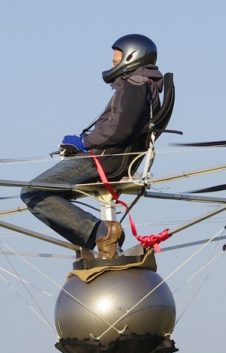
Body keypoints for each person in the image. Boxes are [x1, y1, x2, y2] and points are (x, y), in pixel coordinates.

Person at [21, 34, 164, 260]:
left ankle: (102, 234)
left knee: (33, 191)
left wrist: (84, 143)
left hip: (103, 160)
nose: (112, 65)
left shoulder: (135, 86)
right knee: (47, 193)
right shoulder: (142, 85)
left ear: (132, 58)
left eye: (116, 61)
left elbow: (120, 129)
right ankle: (101, 239)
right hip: (108, 157)